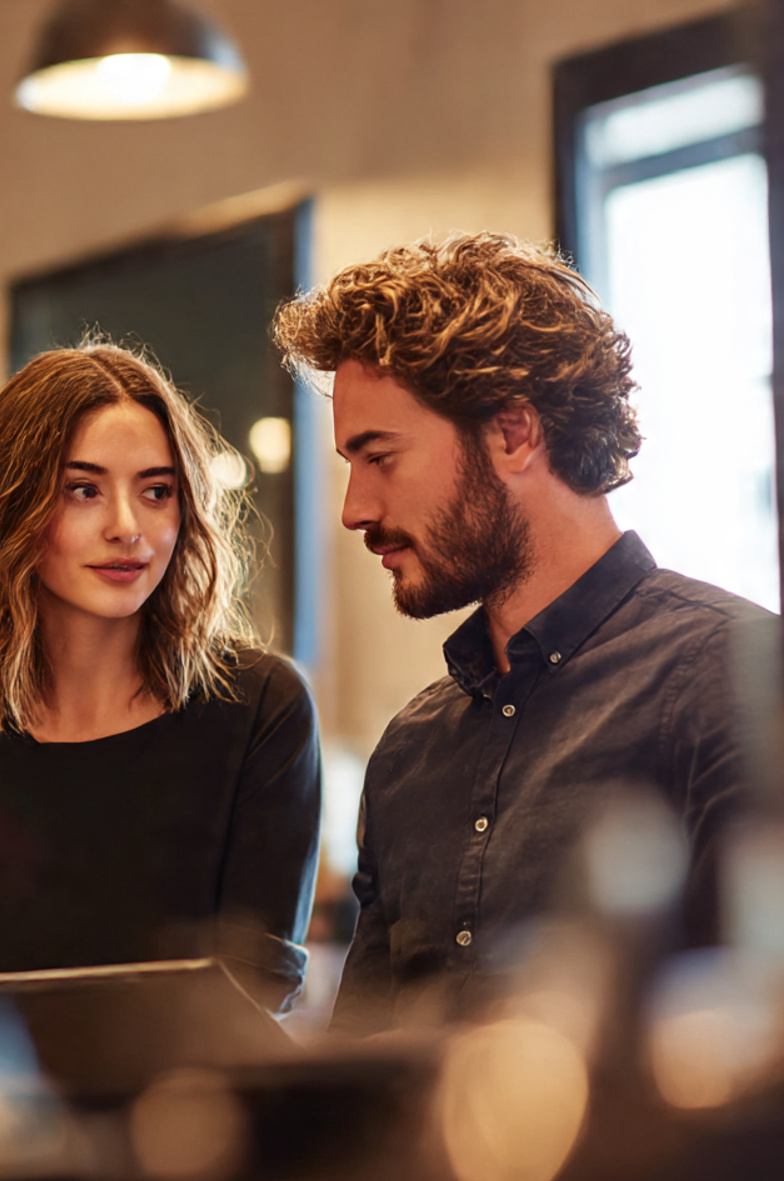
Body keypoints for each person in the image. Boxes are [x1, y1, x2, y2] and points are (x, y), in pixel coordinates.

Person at [273, 231, 769, 1032]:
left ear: (513, 434)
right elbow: (361, 1082)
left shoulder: (734, 681)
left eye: (381, 458)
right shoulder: (407, 752)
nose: (355, 510)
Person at [0, 342, 321, 1100]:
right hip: (1, 1149)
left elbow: (257, 976)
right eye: (83, 491)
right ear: (9, 505)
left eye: (156, 491)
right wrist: (13, 1163)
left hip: (201, 1135)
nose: (127, 527)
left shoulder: (262, 707)